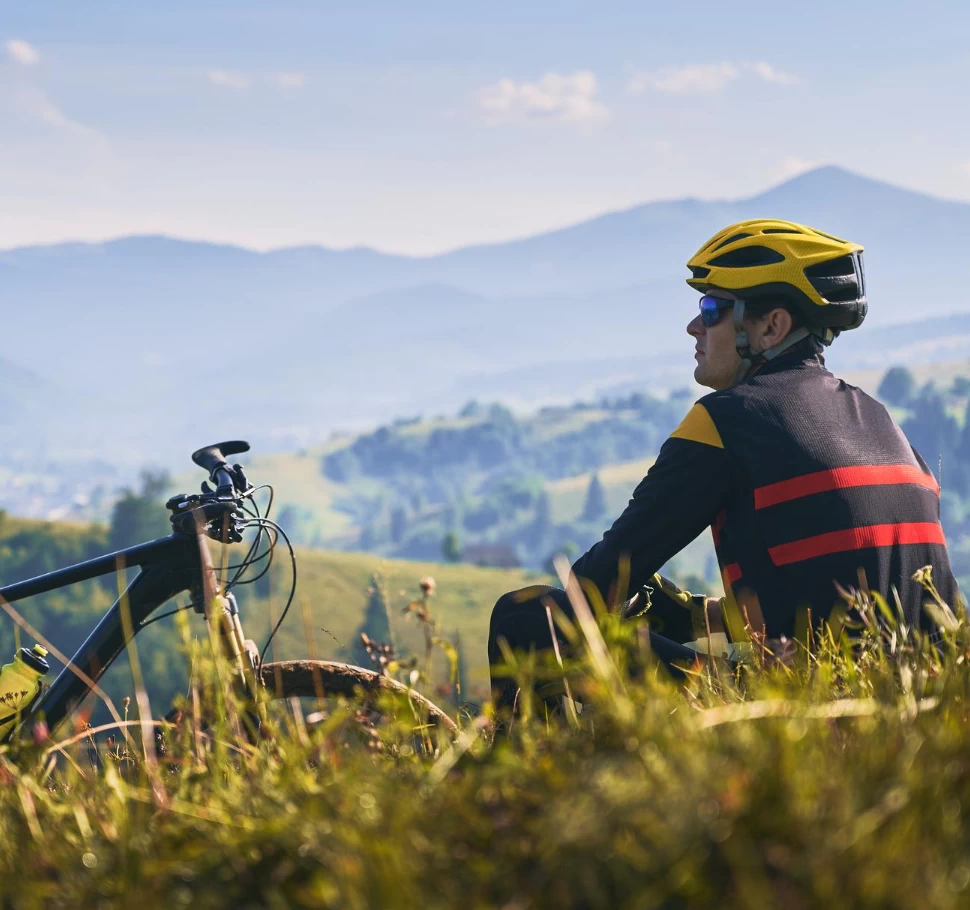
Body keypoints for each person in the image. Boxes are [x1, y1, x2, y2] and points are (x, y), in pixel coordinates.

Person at [488, 219, 961, 710]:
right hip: (918, 709)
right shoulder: (880, 420)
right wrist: (698, 617)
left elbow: (593, 589)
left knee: (526, 621)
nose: (694, 326)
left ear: (771, 326)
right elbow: (839, 595)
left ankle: (526, 786)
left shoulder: (728, 421)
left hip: (802, 712)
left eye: (711, 309)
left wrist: (624, 606)